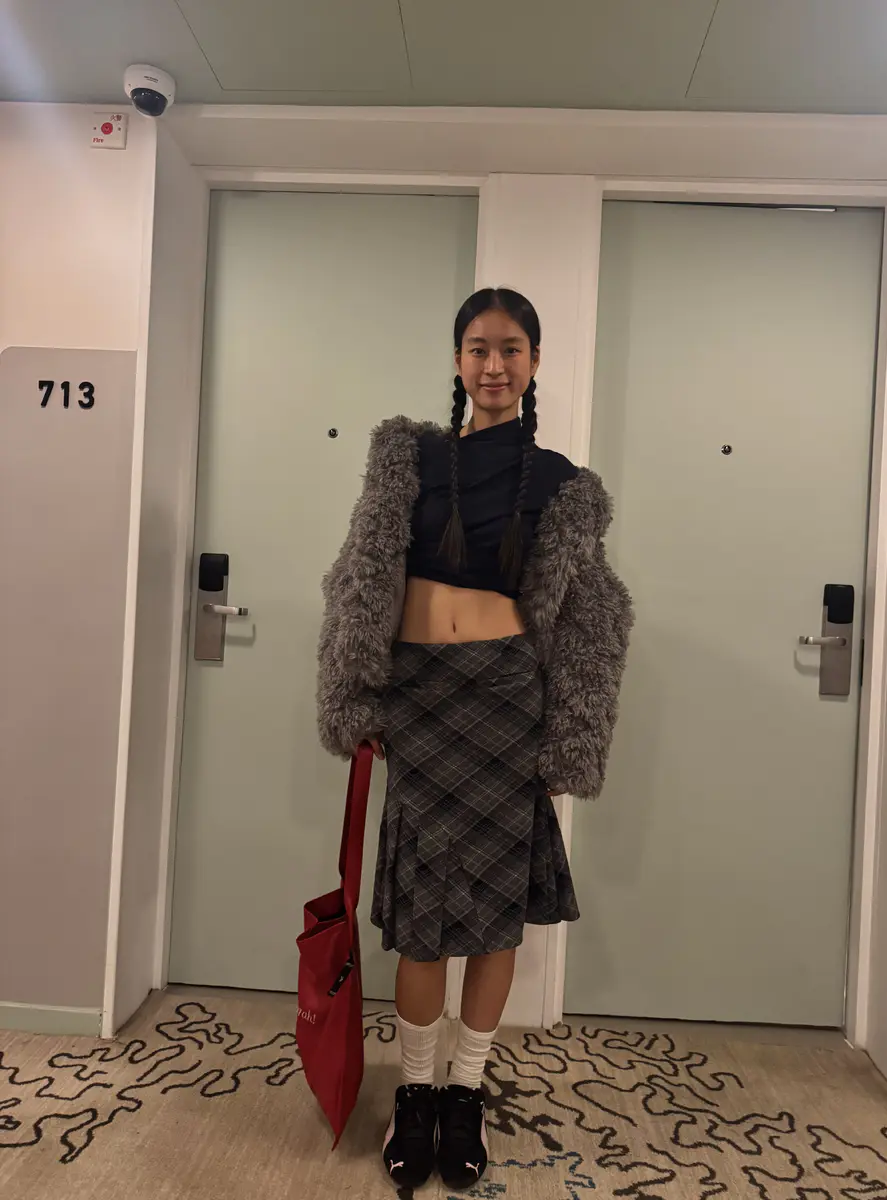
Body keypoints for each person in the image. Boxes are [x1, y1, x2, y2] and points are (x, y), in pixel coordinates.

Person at [317, 287, 632, 1192]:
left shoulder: (564, 484)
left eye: (512, 349)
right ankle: (415, 1093)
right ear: (457, 359)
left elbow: (591, 619)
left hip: (506, 704)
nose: (494, 365)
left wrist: (572, 734)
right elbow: (358, 578)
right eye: (478, 348)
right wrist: (356, 689)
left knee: (493, 918)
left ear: (534, 363)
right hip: (420, 703)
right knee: (423, 922)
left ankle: (466, 1092)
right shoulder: (409, 459)